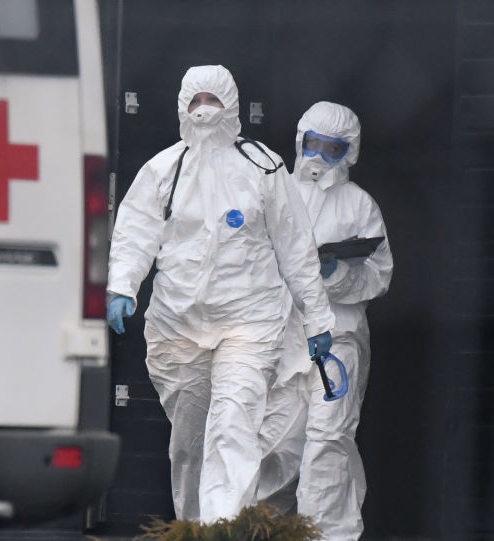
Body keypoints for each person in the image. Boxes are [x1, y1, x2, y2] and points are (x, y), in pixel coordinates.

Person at [105, 65, 336, 523]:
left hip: (248, 323)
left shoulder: (263, 167)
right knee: (190, 442)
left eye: (213, 100)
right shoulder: (164, 170)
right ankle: (194, 528)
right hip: (177, 325)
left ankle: (222, 528)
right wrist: (123, 285)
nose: (204, 111)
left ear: (231, 105)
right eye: (195, 101)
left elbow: (296, 247)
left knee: (233, 426)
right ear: (181, 106)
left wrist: (316, 317)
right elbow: (135, 232)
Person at [257, 101, 393, 541]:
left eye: (332, 148)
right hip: (285, 341)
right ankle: (259, 531)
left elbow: (380, 276)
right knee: (275, 446)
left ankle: (327, 536)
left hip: (338, 341)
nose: (319, 156)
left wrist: (335, 275)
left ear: (349, 152)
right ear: (300, 141)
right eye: (313, 144)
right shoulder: (276, 194)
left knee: (328, 442)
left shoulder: (359, 205)